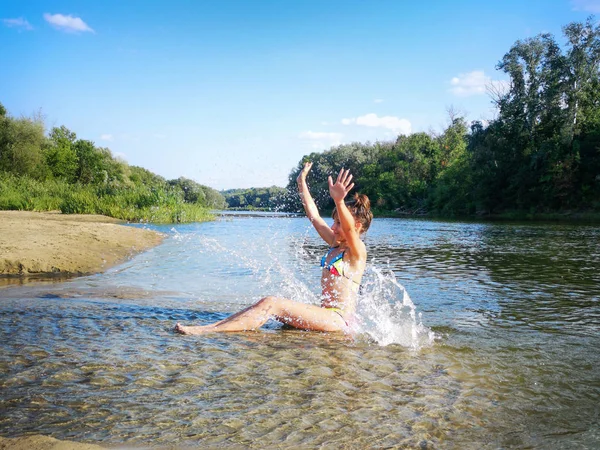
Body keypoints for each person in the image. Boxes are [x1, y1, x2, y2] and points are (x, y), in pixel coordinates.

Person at [175, 162, 373, 335]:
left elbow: (347, 229)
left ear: (356, 227)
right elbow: (314, 216)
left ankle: (206, 331)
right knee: (266, 304)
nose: (333, 227)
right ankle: (216, 325)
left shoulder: (357, 252)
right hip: (328, 316)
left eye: (338, 223)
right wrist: (301, 183)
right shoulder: (335, 243)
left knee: (272, 303)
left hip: (339, 320)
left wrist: (339, 201)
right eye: (334, 221)